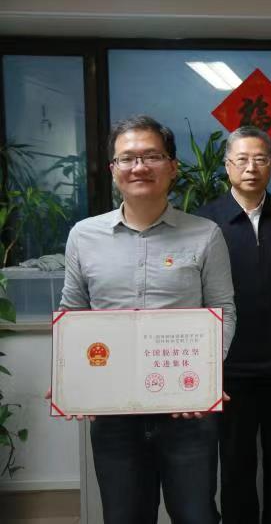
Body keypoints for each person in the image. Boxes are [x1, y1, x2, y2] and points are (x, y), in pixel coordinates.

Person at [59, 115, 235, 524]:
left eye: (152, 156)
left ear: (172, 167)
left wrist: (206, 377)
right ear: (113, 169)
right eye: (128, 158)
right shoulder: (83, 236)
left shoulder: (205, 234)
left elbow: (223, 311)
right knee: (124, 515)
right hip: (114, 411)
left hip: (187, 410)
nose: (139, 167)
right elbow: (72, 314)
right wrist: (70, 377)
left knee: (196, 515)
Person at [196, 125, 271, 524]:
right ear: (227, 165)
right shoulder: (205, 223)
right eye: (241, 159)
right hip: (230, 367)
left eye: (260, 159)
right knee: (235, 464)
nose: (251, 168)